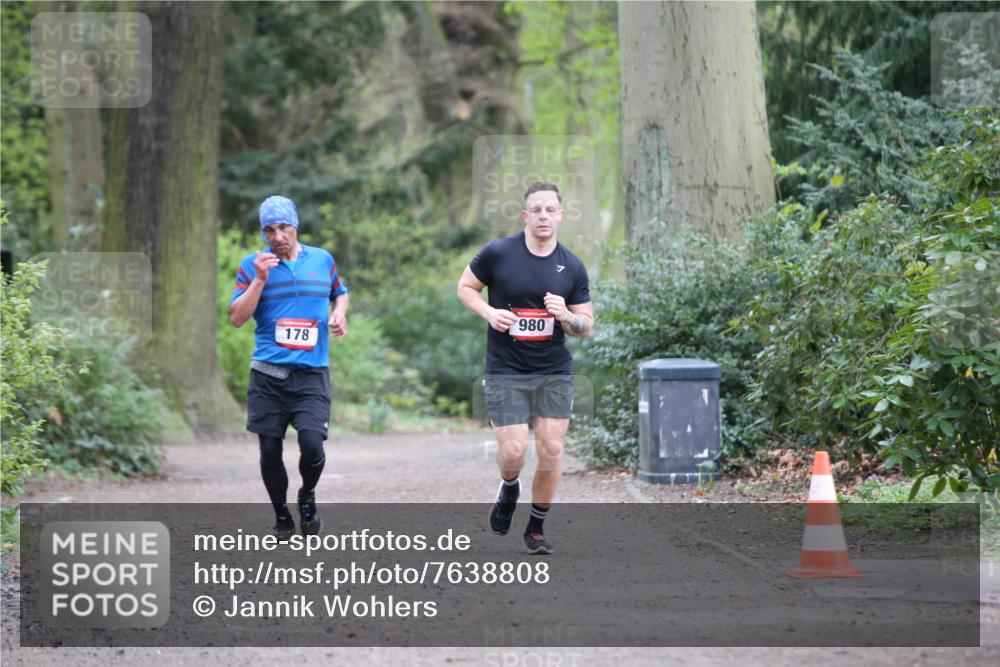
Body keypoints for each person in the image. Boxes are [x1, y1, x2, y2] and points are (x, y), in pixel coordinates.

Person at [457, 180, 593, 554]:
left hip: (553, 371)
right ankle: (509, 485)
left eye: (551, 210)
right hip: (506, 369)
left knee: (551, 450)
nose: (544, 216)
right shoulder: (499, 253)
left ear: (561, 215)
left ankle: (536, 526)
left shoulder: (572, 265)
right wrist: (488, 312)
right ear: (525, 215)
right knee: (515, 452)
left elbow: (585, 326)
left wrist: (565, 314)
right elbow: (465, 287)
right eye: (537, 209)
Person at [228, 195, 349, 538]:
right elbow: (237, 317)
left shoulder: (322, 260)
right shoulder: (252, 265)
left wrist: (339, 313)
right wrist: (260, 280)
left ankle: (306, 496)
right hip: (268, 374)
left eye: (283, 227)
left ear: (295, 226)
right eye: (269, 230)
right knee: (269, 450)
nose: (277, 236)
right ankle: (281, 515)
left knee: (313, 444)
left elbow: (340, 292)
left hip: (312, 373)